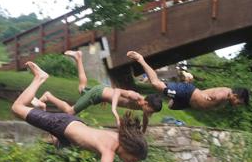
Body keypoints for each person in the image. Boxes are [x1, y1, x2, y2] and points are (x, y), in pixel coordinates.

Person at [11, 61, 148, 162]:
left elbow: (125, 154)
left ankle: (40, 107)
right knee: (17, 108)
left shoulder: (120, 138)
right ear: (129, 149)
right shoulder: (109, 149)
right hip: (62, 125)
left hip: (70, 128)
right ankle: (40, 78)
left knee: (55, 142)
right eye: (132, 160)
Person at [33, 50, 162, 132]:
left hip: (101, 94)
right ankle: (48, 96)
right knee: (70, 112)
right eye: (151, 111)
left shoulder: (144, 108)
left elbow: (145, 120)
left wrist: (143, 134)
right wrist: (114, 110)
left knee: (82, 88)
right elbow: (117, 91)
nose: (150, 114)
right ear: (146, 104)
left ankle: (78, 58)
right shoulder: (136, 96)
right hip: (98, 94)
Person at [127, 50, 250, 111]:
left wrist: (206, 98)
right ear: (236, 95)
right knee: (156, 84)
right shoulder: (223, 95)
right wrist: (206, 96)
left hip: (187, 101)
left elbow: (209, 98)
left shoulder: (226, 97)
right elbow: (210, 96)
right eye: (239, 102)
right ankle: (140, 59)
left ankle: (183, 83)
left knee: (171, 106)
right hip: (187, 93)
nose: (237, 104)